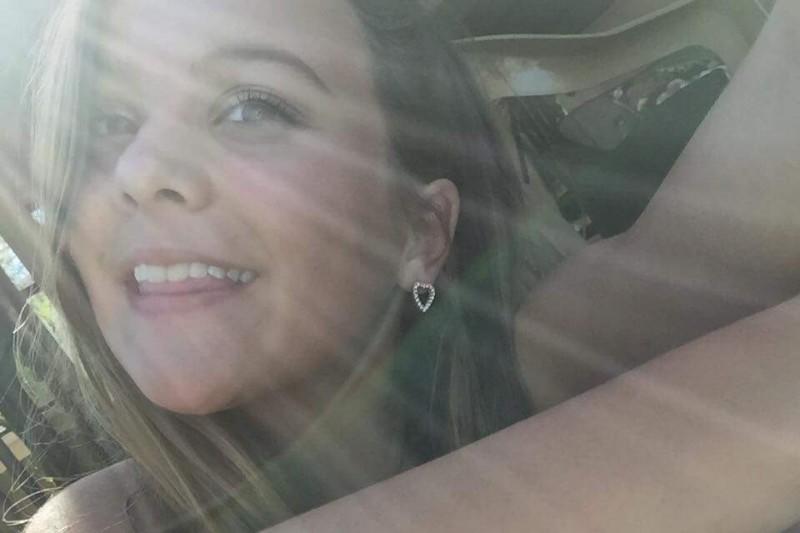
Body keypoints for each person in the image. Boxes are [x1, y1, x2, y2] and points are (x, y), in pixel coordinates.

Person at [23, 0, 533, 531]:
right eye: (108, 122)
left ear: (420, 234)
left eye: (251, 109)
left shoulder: (564, 374)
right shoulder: (95, 523)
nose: (139, 169)